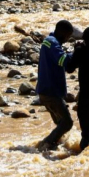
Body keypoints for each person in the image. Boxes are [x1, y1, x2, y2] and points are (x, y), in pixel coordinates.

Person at [36, 20, 75, 152]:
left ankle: (54, 145)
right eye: (69, 35)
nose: (68, 38)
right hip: (51, 92)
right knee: (67, 123)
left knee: (60, 124)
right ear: (63, 33)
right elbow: (62, 60)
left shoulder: (49, 41)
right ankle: (45, 145)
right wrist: (75, 53)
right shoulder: (52, 43)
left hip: (44, 91)